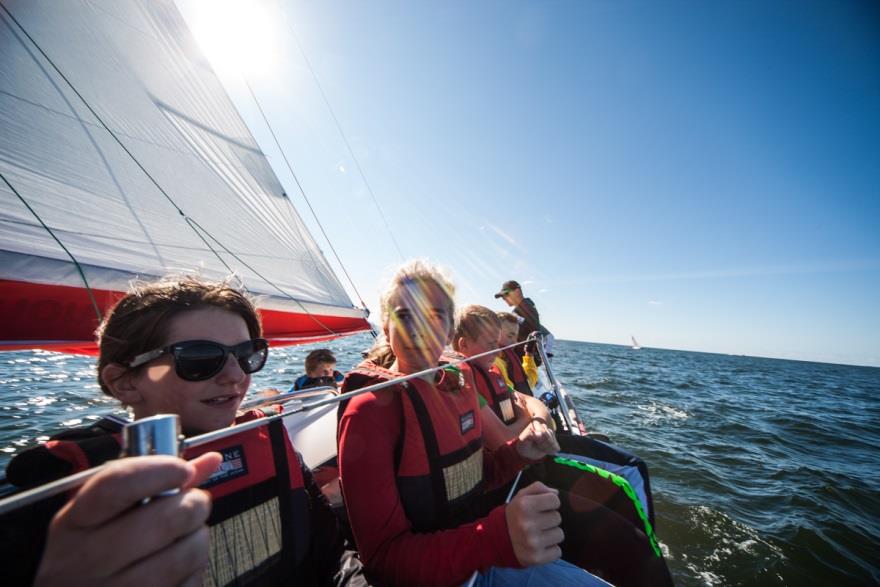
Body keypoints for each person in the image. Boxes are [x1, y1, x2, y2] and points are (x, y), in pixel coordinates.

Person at [3, 277, 366, 586]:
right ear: (124, 382)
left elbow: (333, 558)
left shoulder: (267, 439)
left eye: (247, 354)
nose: (237, 376)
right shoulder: (56, 489)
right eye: (199, 359)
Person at [337, 260, 604, 586]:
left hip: (485, 553)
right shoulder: (368, 413)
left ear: (449, 331)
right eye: (405, 315)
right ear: (385, 325)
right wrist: (496, 539)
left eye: (434, 316)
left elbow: (474, 481)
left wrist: (519, 452)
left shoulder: (457, 387)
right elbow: (382, 558)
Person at [453, 305, 551, 437]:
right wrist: (527, 418)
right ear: (464, 344)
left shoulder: (491, 373)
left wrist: (539, 419)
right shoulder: (462, 383)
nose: (498, 351)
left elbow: (534, 403)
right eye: (491, 345)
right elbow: (502, 438)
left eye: (497, 344)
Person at [494, 280, 554, 359]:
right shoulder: (525, 307)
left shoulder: (525, 308)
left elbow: (532, 329)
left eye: (506, 294)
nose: (504, 298)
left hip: (522, 360)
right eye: (502, 297)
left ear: (517, 291)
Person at [494, 312, 538, 396]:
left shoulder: (507, 361)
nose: (515, 342)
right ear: (492, 335)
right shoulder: (495, 364)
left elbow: (526, 383)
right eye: (510, 336)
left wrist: (529, 354)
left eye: (516, 337)